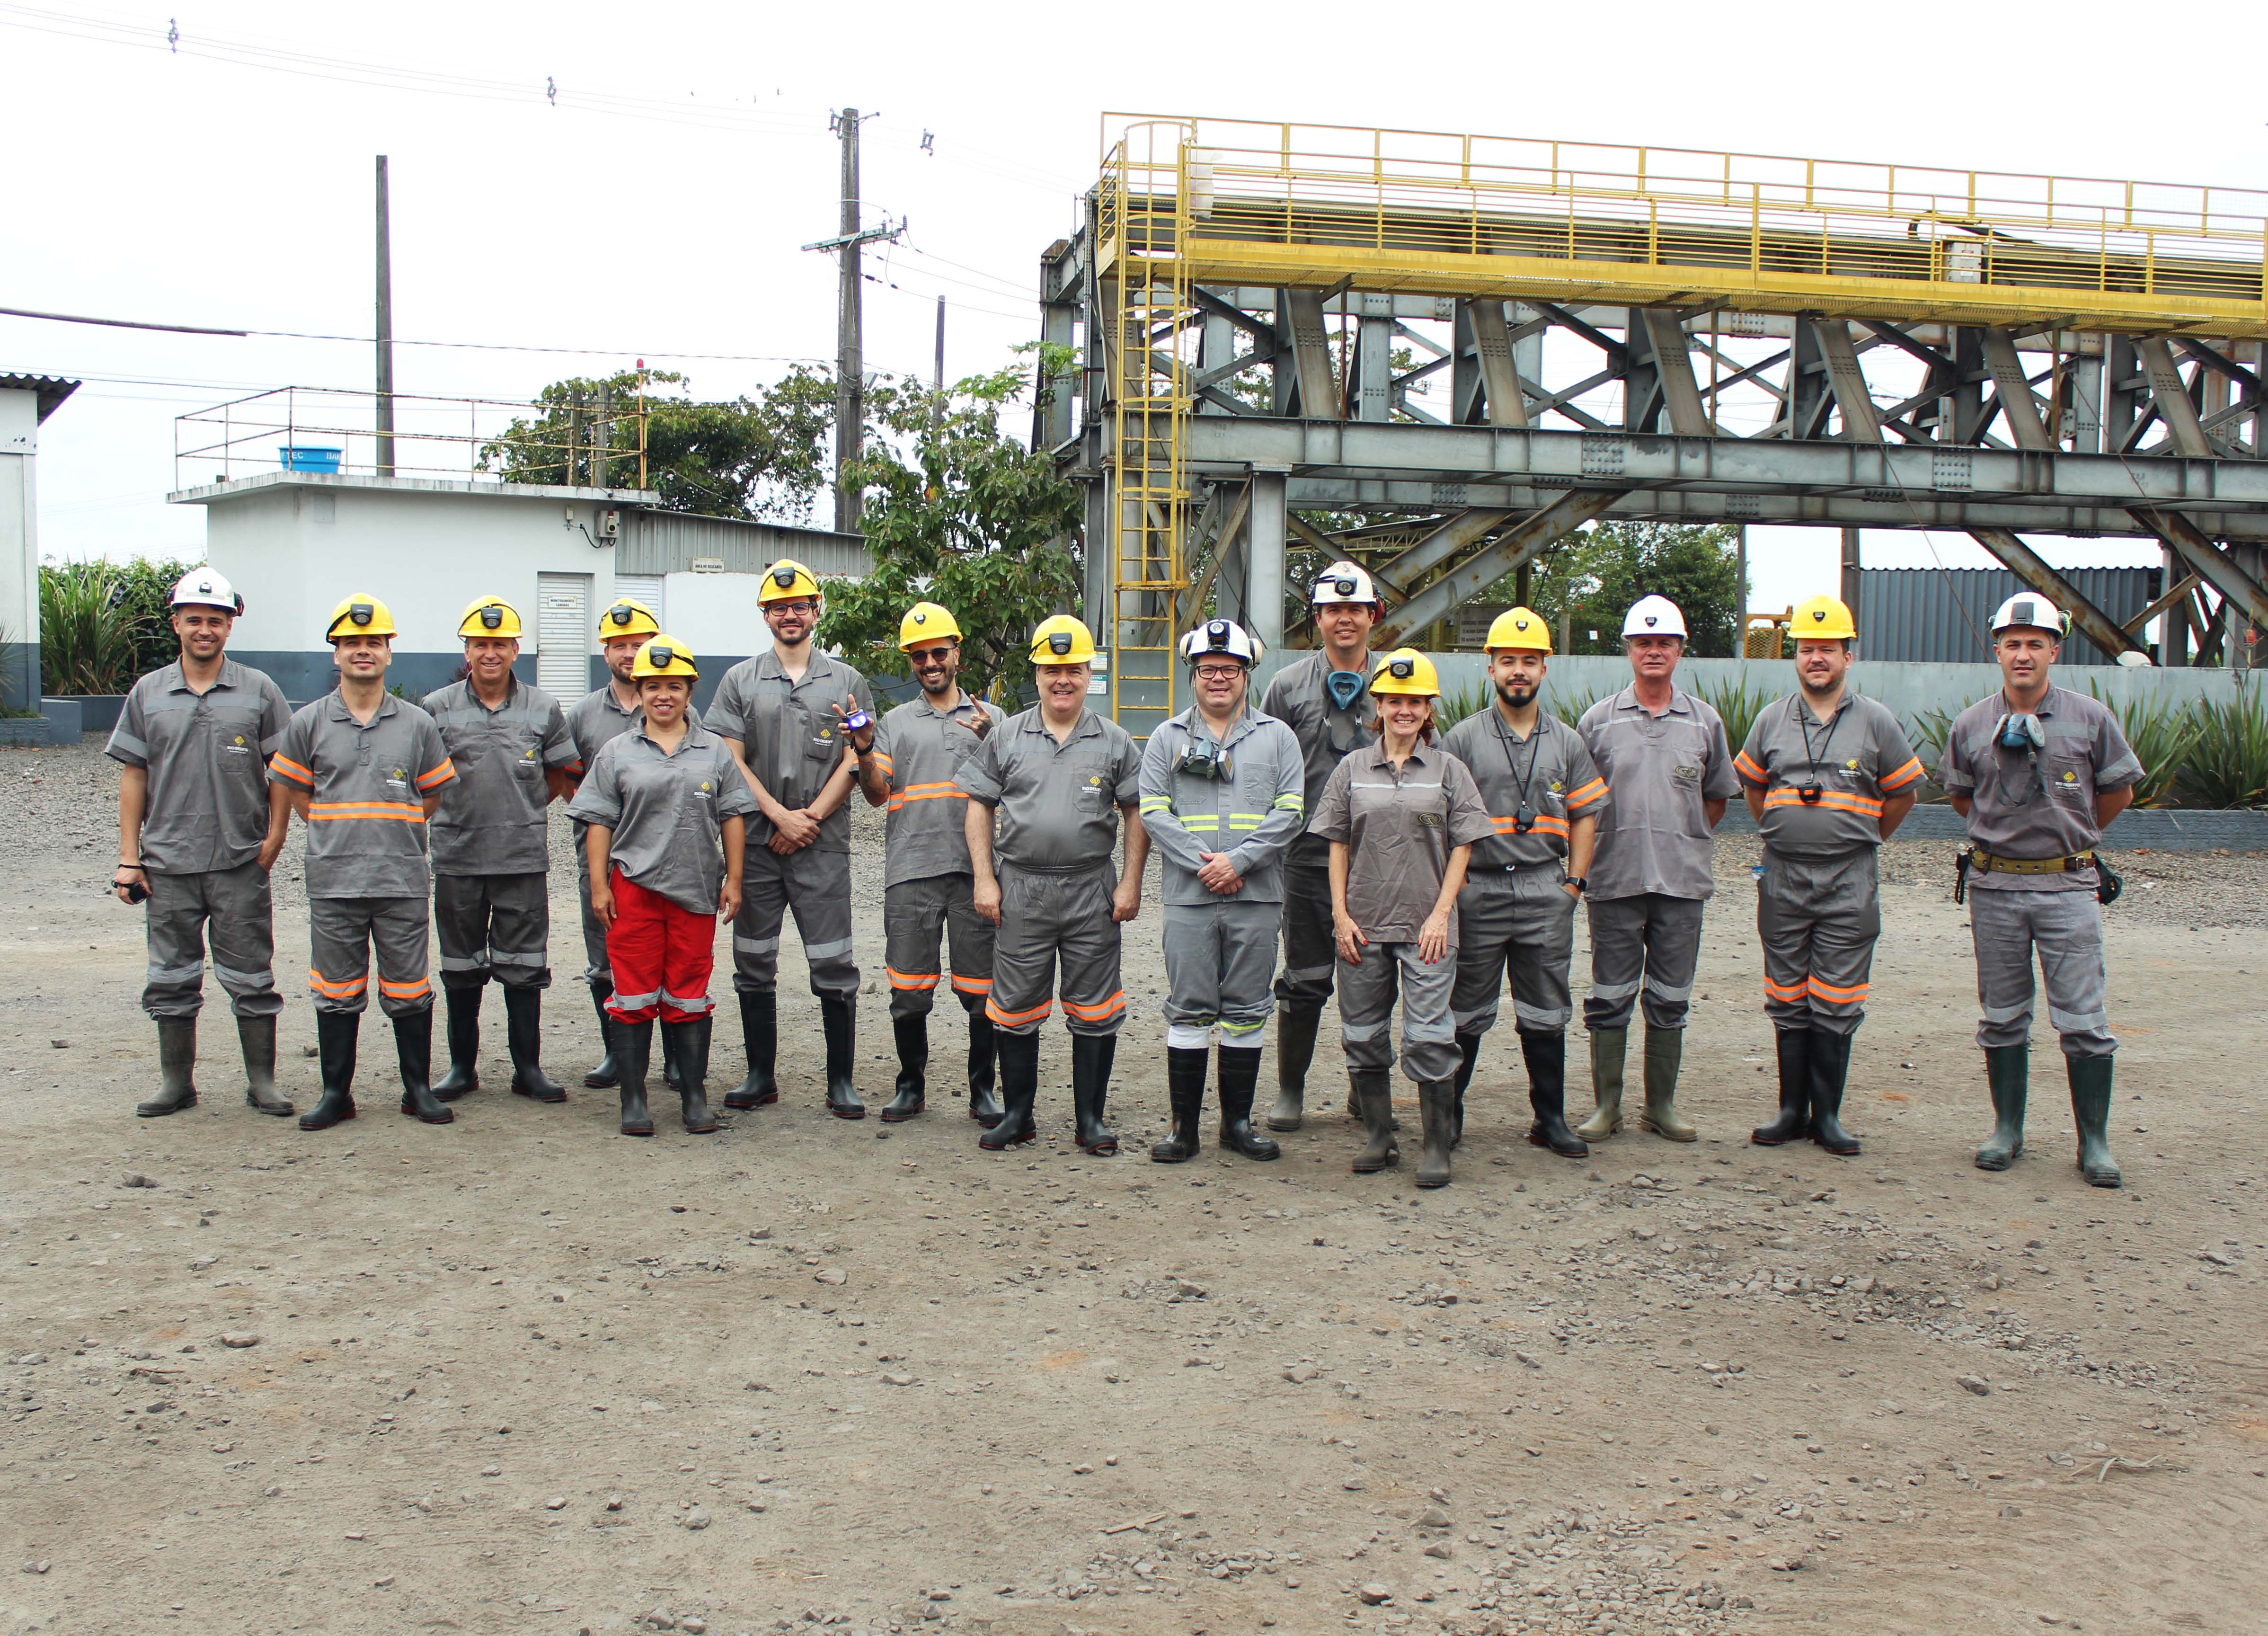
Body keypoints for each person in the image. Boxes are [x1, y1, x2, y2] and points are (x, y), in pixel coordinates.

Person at [1939, 594, 2141, 1187]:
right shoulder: (1971, 724)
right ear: (1996, 650)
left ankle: (2094, 1142)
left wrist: (2070, 838)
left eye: (2035, 643)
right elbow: (1960, 797)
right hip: (1995, 887)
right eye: (2012, 643)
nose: (2022, 654)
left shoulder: (2089, 718)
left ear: (2055, 649)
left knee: (2083, 1019)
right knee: (2001, 1016)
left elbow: (2118, 792)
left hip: (2068, 887)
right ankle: (2007, 1131)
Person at [1735, 594, 1924, 1156]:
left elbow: (1902, 794)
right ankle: (1791, 1111)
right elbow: (1752, 789)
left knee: (1837, 996)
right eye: (1806, 649)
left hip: (1850, 879)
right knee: (1787, 992)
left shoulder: (1876, 721)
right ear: (1795, 656)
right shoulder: (1771, 718)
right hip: (1784, 877)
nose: (1816, 658)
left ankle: (1829, 1116)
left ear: (1848, 655)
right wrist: (1786, 831)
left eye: (1827, 649)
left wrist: (1857, 838)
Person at [107, 568, 295, 1118]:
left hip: (239, 861)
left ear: (230, 626)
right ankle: (176, 1084)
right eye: (195, 619)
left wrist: (275, 835)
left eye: (216, 620)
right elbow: (134, 776)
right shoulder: (149, 692)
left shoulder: (259, 690)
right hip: (168, 864)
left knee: (252, 977)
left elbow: (283, 770)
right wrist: (128, 859)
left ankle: (262, 1082)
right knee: (170, 977)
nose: (205, 629)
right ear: (177, 624)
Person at [266, 594, 457, 1131]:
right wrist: (334, 827)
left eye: (373, 642)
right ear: (336, 654)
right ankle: (336, 1094)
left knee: (408, 988)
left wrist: (389, 827)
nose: (363, 652)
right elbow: (296, 792)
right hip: (335, 881)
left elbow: (433, 796)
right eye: (352, 643)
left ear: (389, 653)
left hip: (401, 878)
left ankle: (417, 1089)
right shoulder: (308, 723)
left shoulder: (417, 723)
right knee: (337, 990)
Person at [957, 616, 1146, 1154]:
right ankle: (1018, 1115)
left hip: (1092, 890)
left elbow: (1136, 812)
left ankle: (1090, 1120)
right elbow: (979, 806)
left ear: (1089, 673)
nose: (1062, 679)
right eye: (1052, 669)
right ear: (1036, 673)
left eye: (1073, 669)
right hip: (1022, 887)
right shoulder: (1007, 736)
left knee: (1094, 1009)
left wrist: (1131, 882)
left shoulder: (1112, 741)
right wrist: (985, 880)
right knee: (1014, 1008)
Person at [1311, 649, 1493, 1187]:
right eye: (1395, 700)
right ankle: (1378, 1136)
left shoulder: (1448, 771)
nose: (1404, 710)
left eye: (1415, 701)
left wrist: (1441, 916)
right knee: (1363, 1033)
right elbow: (1337, 845)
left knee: (1430, 1037)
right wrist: (1341, 917)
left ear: (1428, 709)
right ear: (1380, 705)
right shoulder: (1351, 769)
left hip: (1427, 929)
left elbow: (1464, 846)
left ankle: (1436, 1146)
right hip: (1363, 925)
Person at [704, 560, 875, 1119]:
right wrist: (778, 816)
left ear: (816, 610)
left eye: (799, 605)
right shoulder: (739, 680)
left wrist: (808, 820)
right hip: (756, 845)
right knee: (753, 961)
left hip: (821, 847)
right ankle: (760, 1076)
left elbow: (859, 755)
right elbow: (728, 758)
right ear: (765, 615)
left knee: (833, 963)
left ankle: (840, 1083)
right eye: (778, 607)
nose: (789, 615)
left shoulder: (846, 681)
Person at [567, 637, 752, 1137]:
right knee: (632, 994)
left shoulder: (713, 750)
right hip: (634, 889)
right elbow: (599, 820)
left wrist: (733, 879)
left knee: (689, 994)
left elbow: (733, 814)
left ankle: (694, 1096)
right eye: (653, 686)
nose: (663, 695)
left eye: (674, 686)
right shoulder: (616, 752)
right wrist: (600, 885)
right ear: (640, 689)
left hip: (694, 889)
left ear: (691, 690)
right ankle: (634, 1100)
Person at [1440, 607, 1607, 1158]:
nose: (1518, 671)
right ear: (1489, 668)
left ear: (1544, 668)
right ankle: (1449, 1115)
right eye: (1508, 661)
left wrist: (1574, 887)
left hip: (1543, 890)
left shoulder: (1567, 741)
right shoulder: (1462, 740)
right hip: (1479, 891)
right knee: (1464, 1011)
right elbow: (1443, 822)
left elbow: (1587, 815)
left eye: (1528, 662)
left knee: (1545, 1009)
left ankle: (1549, 1119)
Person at [1138, 618, 1305, 1164]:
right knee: (1188, 1008)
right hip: (1190, 898)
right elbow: (1153, 810)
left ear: (1246, 674)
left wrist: (1240, 861)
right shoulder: (1167, 738)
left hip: (1256, 897)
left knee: (1246, 1009)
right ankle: (1183, 1129)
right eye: (1207, 669)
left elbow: (1291, 811)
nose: (1218, 679)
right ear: (1193, 674)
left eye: (1229, 670)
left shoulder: (1278, 737)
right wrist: (1204, 865)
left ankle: (1237, 1125)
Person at [1575, 595, 1740, 1144]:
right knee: (1610, 994)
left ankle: (1660, 1106)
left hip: (1680, 882)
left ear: (1679, 650)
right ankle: (1607, 1107)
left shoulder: (1705, 722)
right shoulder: (1597, 722)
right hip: (1614, 880)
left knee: (1670, 997)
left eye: (1663, 642)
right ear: (1627, 649)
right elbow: (1579, 803)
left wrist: (1679, 836)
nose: (1653, 651)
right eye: (1643, 642)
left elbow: (1714, 800)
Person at [846, 602, 1007, 1125]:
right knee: (909, 991)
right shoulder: (894, 723)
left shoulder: (993, 719)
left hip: (975, 873)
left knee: (980, 992)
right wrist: (866, 751)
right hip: (911, 869)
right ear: (911, 663)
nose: (930, 662)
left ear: (957, 654)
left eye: (939, 652)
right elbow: (876, 794)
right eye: (919, 656)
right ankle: (910, 1086)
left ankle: (982, 1089)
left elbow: (1019, 786)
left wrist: (991, 742)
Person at [421, 597, 580, 1105]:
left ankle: (527, 1070)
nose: (490, 653)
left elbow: (561, 773)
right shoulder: (436, 708)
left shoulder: (543, 707)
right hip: (458, 858)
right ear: (466, 650)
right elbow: (423, 779)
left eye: (500, 644)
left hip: (521, 859)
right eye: (479, 644)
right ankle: (461, 1070)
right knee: (460, 969)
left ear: (516, 649)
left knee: (524, 967)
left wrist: (527, 806)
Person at [1258, 561, 1380, 1131]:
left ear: (1373, 614)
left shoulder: (1398, 681)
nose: (1345, 619)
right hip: (1307, 855)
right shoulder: (1286, 687)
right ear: (1318, 618)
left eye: (1356, 608)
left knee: (1372, 977)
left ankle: (1366, 1089)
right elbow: (1265, 768)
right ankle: (1291, 1091)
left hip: (1381, 859)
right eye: (1334, 609)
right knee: (1305, 977)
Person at [562, 595, 682, 1092]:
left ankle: (676, 1059)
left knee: (672, 960)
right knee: (605, 959)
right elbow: (572, 784)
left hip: (673, 860)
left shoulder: (678, 705)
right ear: (605, 652)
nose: (629, 653)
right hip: (606, 863)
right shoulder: (585, 715)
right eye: (619, 645)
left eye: (638, 643)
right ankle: (618, 1055)